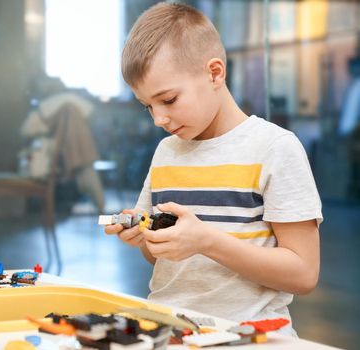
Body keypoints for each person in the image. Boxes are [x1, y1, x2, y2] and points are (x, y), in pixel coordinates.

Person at [104, 3, 321, 336]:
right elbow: (166, 261)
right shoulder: (166, 152)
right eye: (148, 106)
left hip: (249, 338)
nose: (158, 119)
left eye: (169, 99)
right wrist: (144, 239)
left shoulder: (274, 147)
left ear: (215, 73)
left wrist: (207, 241)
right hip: (170, 333)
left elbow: (304, 273)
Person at [21, 75, 105, 214]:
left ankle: (97, 205)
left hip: (73, 154)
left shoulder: (64, 106)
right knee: (87, 175)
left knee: (87, 174)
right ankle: (95, 203)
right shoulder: (60, 106)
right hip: (72, 154)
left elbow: (30, 130)